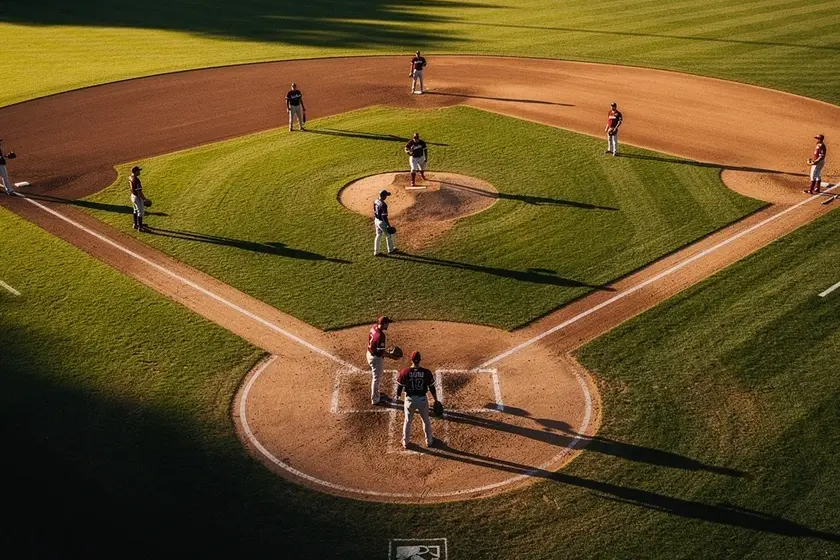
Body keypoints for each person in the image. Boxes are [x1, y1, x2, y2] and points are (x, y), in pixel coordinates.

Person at [395, 351, 439, 448]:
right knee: (426, 420)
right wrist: (435, 399)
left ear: (411, 360)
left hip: (409, 400)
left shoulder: (404, 372)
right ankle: (429, 441)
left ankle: (405, 442)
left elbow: (399, 388)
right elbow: (432, 387)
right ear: (420, 360)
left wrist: (397, 397)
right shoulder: (426, 372)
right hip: (422, 400)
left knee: (407, 421)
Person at [367, 316, 400, 405]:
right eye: (387, 323)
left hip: (369, 353)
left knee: (376, 377)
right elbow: (381, 353)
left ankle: (376, 394)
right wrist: (392, 356)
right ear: (384, 324)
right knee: (376, 379)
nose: (388, 324)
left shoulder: (374, 327)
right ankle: (375, 399)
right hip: (376, 359)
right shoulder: (381, 336)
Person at [373, 189, 396, 256]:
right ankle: (391, 250)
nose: (386, 197)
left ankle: (376, 252)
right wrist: (388, 225)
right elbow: (384, 217)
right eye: (386, 195)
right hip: (382, 222)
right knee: (388, 235)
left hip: (376, 220)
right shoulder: (384, 205)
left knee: (378, 235)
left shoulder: (376, 201)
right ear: (384, 196)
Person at [129, 166, 151, 232]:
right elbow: (139, 191)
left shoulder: (130, 177)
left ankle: (135, 224)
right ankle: (140, 227)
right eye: (138, 171)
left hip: (132, 195)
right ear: (135, 172)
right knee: (140, 212)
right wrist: (144, 199)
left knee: (135, 210)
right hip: (137, 197)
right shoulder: (136, 180)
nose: (139, 172)